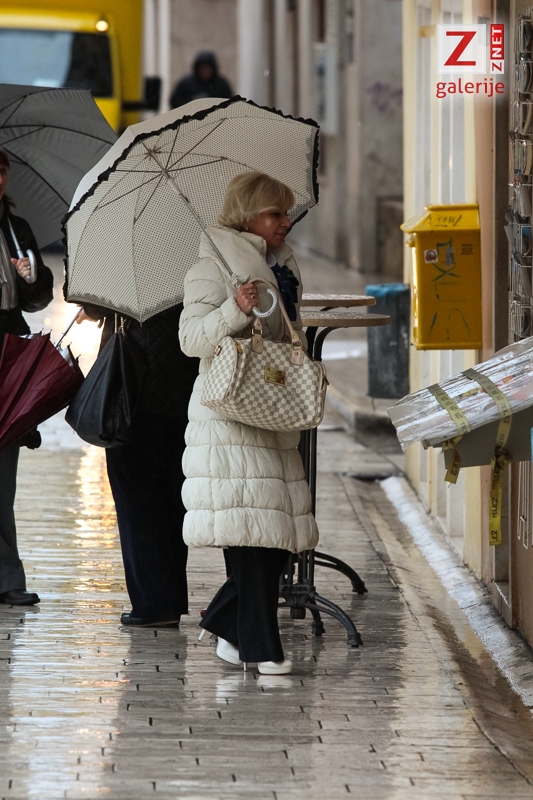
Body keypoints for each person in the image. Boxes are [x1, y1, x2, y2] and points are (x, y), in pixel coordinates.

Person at [179, 172, 319, 675]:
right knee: (254, 535)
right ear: (247, 216)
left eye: (286, 212)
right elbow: (191, 339)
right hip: (231, 415)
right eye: (275, 213)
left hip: (271, 406)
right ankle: (262, 648)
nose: (286, 222)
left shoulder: (280, 265)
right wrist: (232, 310)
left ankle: (228, 624)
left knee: (273, 532)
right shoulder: (211, 266)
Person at [76, 303, 199, 627]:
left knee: (135, 497)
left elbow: (92, 300)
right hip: (184, 383)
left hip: (134, 388)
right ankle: (171, 598)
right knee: (173, 496)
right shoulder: (190, 268)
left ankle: (153, 603)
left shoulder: (125, 268)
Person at [0, 149, 54, 606]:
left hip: (8, 355)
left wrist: (31, 277)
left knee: (4, 473)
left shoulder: (16, 230)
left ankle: (7, 578)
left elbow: (37, 299)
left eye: (0, 171)